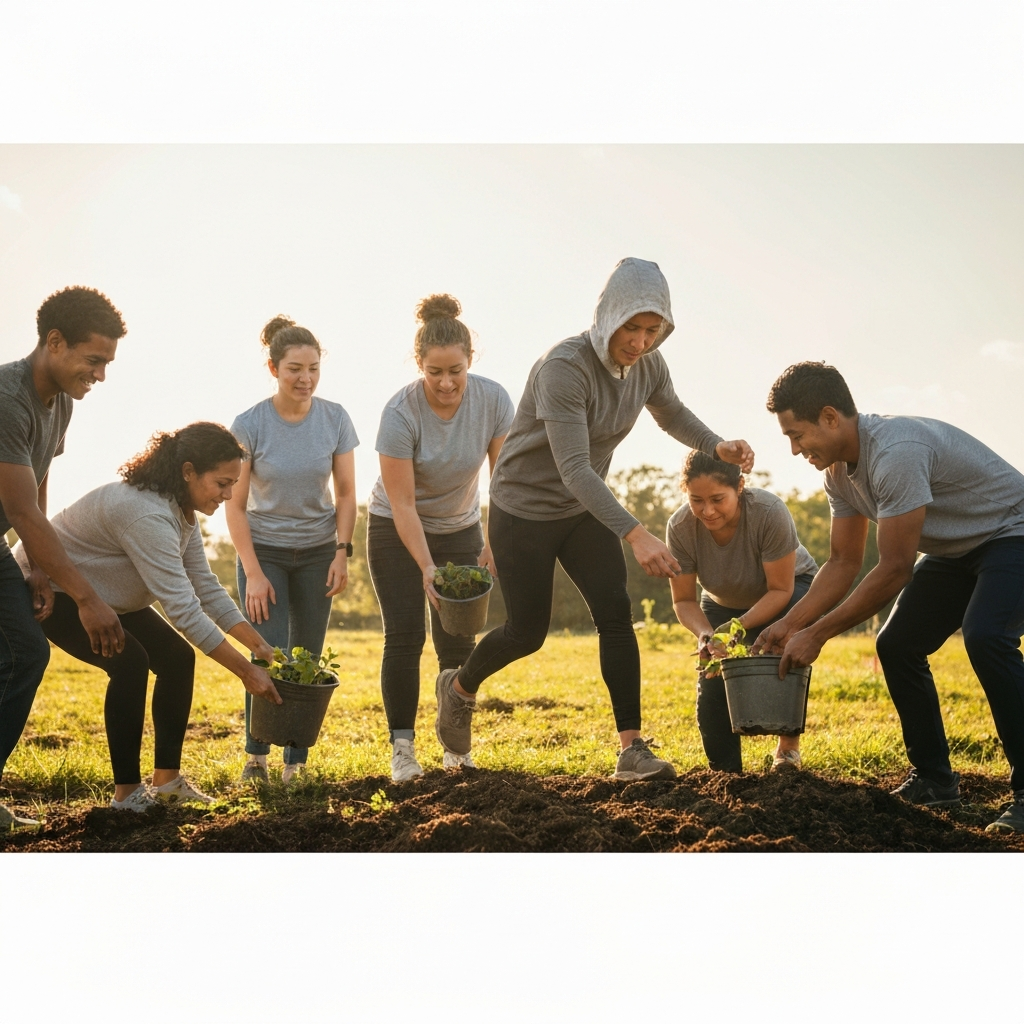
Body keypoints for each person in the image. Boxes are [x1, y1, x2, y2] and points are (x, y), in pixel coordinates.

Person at [433, 257, 755, 780]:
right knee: (526, 631)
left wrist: (713, 443)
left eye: (653, 331)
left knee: (615, 612)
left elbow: (669, 411)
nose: (641, 341)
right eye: (632, 327)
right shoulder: (566, 366)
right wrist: (636, 532)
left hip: (581, 509)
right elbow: (575, 468)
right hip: (523, 510)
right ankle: (459, 686)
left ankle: (631, 748)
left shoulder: (648, 365)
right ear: (609, 316)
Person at [754, 361, 1024, 834]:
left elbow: (895, 567)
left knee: (986, 637)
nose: (795, 450)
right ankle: (935, 781)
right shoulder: (837, 474)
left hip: (1013, 533)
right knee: (896, 643)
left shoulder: (895, 452)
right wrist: (790, 624)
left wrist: (817, 634)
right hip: (958, 549)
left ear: (831, 417)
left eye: (797, 435)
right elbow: (842, 563)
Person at [14, 422, 282, 811]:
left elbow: (204, 588)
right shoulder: (147, 515)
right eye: (222, 483)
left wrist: (259, 646)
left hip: (109, 595)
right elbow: (184, 610)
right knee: (130, 662)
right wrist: (246, 671)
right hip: (55, 591)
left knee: (176, 658)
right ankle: (126, 794)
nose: (229, 495)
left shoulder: (179, 509)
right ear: (188, 471)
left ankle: (167, 782)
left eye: (233, 484)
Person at [366, 294, 514, 781]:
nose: (447, 383)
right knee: (404, 637)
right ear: (419, 366)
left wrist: (495, 540)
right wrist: (426, 567)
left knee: (458, 639)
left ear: (471, 361)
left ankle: (456, 748)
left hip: (459, 527)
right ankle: (403, 751)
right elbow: (403, 503)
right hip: (395, 527)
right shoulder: (400, 412)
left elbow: (504, 482)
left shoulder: (492, 399)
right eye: (435, 373)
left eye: (456, 371)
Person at [0, 286, 128, 830]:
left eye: (106, 363)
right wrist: (87, 597)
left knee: (24, 654)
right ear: (55, 342)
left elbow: (41, 476)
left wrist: (33, 566)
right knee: (24, 651)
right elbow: (23, 510)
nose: (100, 375)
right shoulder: (7, 399)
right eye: (93, 359)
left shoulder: (62, 404)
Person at [225, 316, 357, 785]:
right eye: (294, 369)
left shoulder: (335, 418)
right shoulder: (250, 424)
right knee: (267, 653)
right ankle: (256, 759)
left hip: (319, 552)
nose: (305, 379)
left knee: (307, 654)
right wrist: (253, 572)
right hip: (265, 553)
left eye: (314, 369)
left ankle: (295, 763)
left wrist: (341, 552)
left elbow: (345, 494)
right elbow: (235, 507)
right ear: (273, 368)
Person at [667, 449, 818, 773]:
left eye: (718, 499)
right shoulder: (680, 527)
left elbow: (781, 589)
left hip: (790, 588)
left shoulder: (768, 512)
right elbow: (684, 600)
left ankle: (787, 749)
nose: (707, 511)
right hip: (721, 600)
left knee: (780, 656)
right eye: (696, 500)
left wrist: (739, 627)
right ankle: (726, 774)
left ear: (740, 487)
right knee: (713, 678)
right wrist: (707, 635)